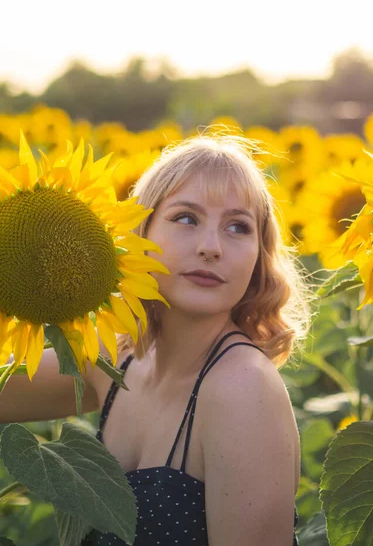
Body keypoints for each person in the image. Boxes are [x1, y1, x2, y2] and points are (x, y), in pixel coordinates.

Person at [1, 133, 311, 545]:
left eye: (238, 226)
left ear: (259, 255)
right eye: (186, 218)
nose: (211, 247)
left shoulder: (241, 389)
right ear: (139, 231)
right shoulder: (117, 359)